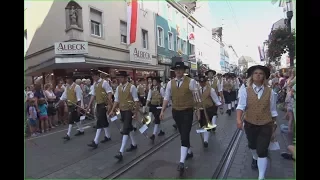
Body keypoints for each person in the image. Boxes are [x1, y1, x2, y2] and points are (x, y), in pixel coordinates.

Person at [236, 65, 278, 180]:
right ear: (252, 76)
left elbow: (273, 110)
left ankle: (261, 176)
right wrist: (239, 119)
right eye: (256, 73)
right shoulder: (245, 90)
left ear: (264, 76)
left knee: (262, 150)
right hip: (250, 123)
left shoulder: (271, 92)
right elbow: (241, 106)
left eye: (260, 73)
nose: (258, 75)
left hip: (266, 124)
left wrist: (274, 125)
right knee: (252, 146)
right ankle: (254, 157)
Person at [159, 61, 197, 175]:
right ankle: (189, 151)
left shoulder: (191, 82)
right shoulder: (170, 83)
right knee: (182, 133)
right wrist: (162, 111)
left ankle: (181, 162)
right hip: (176, 112)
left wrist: (198, 111)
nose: (178, 71)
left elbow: (196, 97)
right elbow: (166, 97)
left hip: (187, 111)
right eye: (176, 70)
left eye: (180, 69)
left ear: (184, 71)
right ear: (174, 71)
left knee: (184, 134)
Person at [109, 71, 140, 161]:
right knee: (129, 128)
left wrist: (136, 113)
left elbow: (136, 100)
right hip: (122, 111)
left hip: (129, 111)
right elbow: (116, 100)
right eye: (119, 77)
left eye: (122, 77)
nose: (120, 79)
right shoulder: (118, 88)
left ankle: (120, 152)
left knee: (125, 130)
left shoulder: (132, 87)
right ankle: (134, 144)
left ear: (126, 78)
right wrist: (112, 110)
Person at [87, 69, 114, 149]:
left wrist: (109, 104)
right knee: (104, 120)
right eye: (92, 76)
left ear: (97, 75)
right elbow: (93, 95)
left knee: (99, 121)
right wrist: (89, 105)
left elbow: (109, 93)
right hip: (98, 104)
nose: (93, 77)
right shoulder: (95, 84)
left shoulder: (104, 83)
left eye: (94, 76)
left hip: (104, 104)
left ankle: (95, 141)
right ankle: (108, 136)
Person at [58, 73, 85, 140]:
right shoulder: (67, 87)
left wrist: (79, 108)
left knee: (70, 119)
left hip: (75, 105)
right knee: (76, 119)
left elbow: (79, 98)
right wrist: (57, 103)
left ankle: (68, 134)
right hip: (70, 105)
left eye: (68, 79)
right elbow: (63, 96)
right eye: (66, 79)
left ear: (71, 79)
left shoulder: (76, 86)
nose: (66, 80)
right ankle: (81, 130)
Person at [196, 75, 222, 147]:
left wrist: (220, 107)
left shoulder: (210, 89)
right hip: (200, 110)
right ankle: (205, 139)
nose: (201, 83)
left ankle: (205, 141)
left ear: (205, 82)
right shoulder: (196, 89)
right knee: (202, 125)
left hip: (208, 109)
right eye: (200, 82)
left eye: (203, 82)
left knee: (207, 125)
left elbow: (216, 99)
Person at [146, 76, 165, 142]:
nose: (153, 82)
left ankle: (153, 134)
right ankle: (161, 131)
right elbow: (148, 97)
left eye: (154, 81)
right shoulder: (151, 89)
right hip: (152, 105)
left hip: (158, 106)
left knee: (157, 119)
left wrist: (163, 106)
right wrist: (146, 105)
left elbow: (164, 97)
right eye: (153, 81)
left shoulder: (161, 89)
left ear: (157, 82)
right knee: (152, 117)